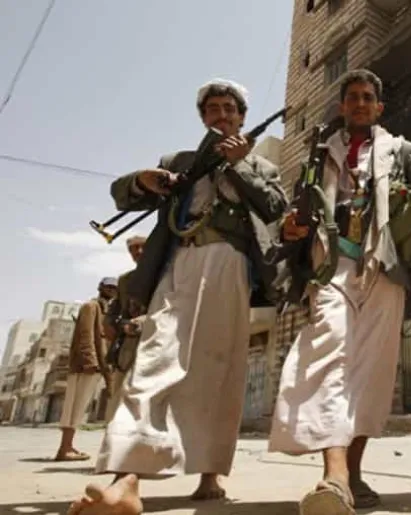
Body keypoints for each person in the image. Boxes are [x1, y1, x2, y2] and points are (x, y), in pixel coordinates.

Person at [67, 78, 288, 515]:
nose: (222, 115)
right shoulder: (179, 162)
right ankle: (126, 478)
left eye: (229, 109)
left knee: (219, 369)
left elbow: (275, 208)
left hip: (231, 266)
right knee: (155, 359)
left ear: (241, 117)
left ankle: (210, 472)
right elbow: (122, 194)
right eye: (213, 109)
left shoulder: (260, 165)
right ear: (203, 117)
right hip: (179, 263)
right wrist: (143, 180)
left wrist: (240, 166)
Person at [268, 69, 411, 515]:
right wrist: (290, 227)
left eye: (368, 97)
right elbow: (298, 211)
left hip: (383, 264)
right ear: (342, 106)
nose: (361, 103)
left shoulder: (402, 151)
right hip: (331, 264)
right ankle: (335, 474)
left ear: (379, 107)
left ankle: (352, 472)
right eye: (353, 97)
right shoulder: (319, 154)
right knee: (328, 353)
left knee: (372, 371)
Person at [54, 277, 117, 462]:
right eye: (108, 286)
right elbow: (85, 334)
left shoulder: (107, 311)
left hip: (99, 365)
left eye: (114, 288)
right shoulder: (91, 307)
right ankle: (64, 448)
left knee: (80, 407)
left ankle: (68, 446)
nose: (111, 290)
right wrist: (90, 361)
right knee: (74, 406)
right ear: (100, 287)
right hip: (86, 365)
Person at [102, 235, 147, 421]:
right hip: (128, 344)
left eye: (142, 247)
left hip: (155, 341)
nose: (138, 252)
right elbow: (114, 311)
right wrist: (113, 324)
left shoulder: (166, 274)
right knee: (119, 395)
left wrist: (143, 321)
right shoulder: (125, 280)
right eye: (132, 249)